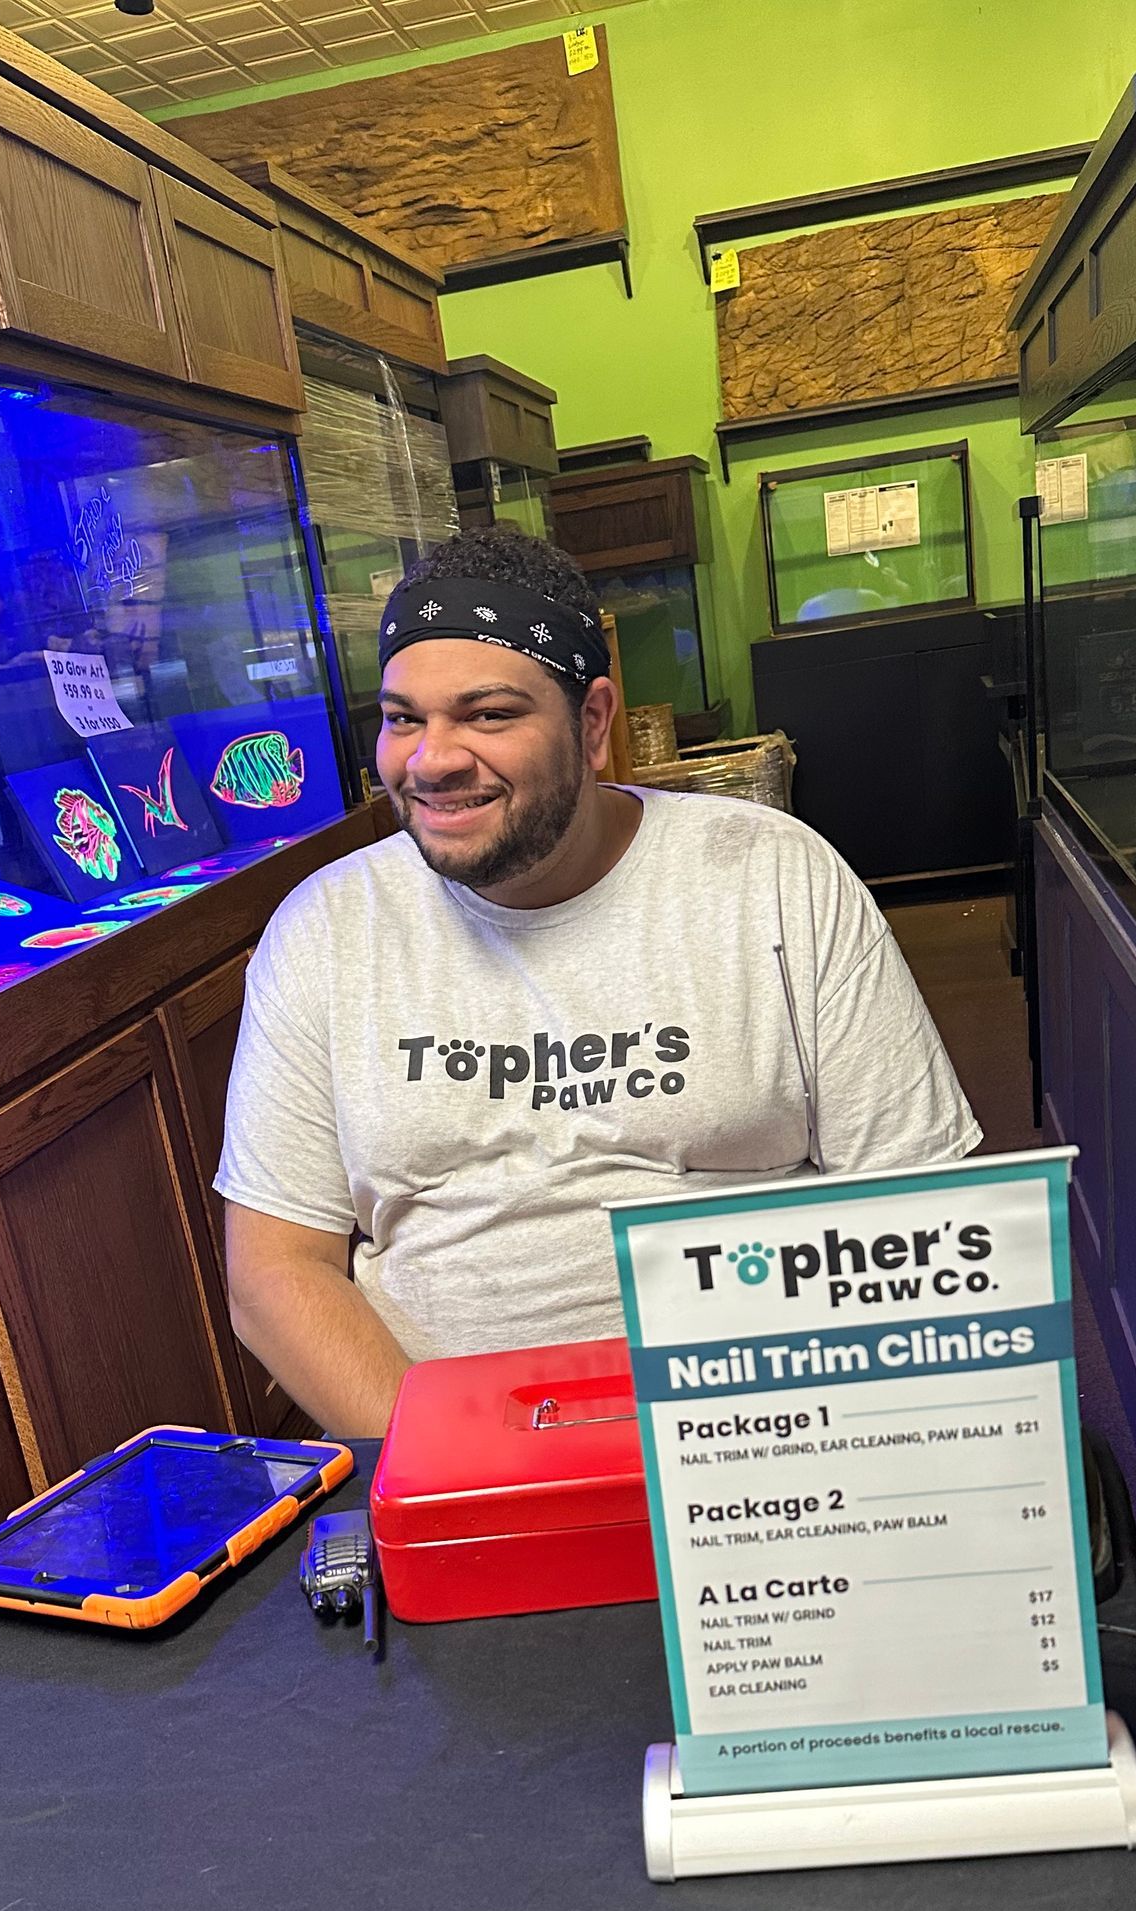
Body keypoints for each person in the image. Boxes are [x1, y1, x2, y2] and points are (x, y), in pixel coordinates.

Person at [219, 526, 979, 1437]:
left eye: (489, 714)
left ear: (592, 721)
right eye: (403, 718)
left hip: (762, 1439)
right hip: (441, 1446)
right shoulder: (327, 927)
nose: (431, 759)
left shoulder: (775, 878)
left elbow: (923, 1204)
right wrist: (457, 1474)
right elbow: (274, 1274)